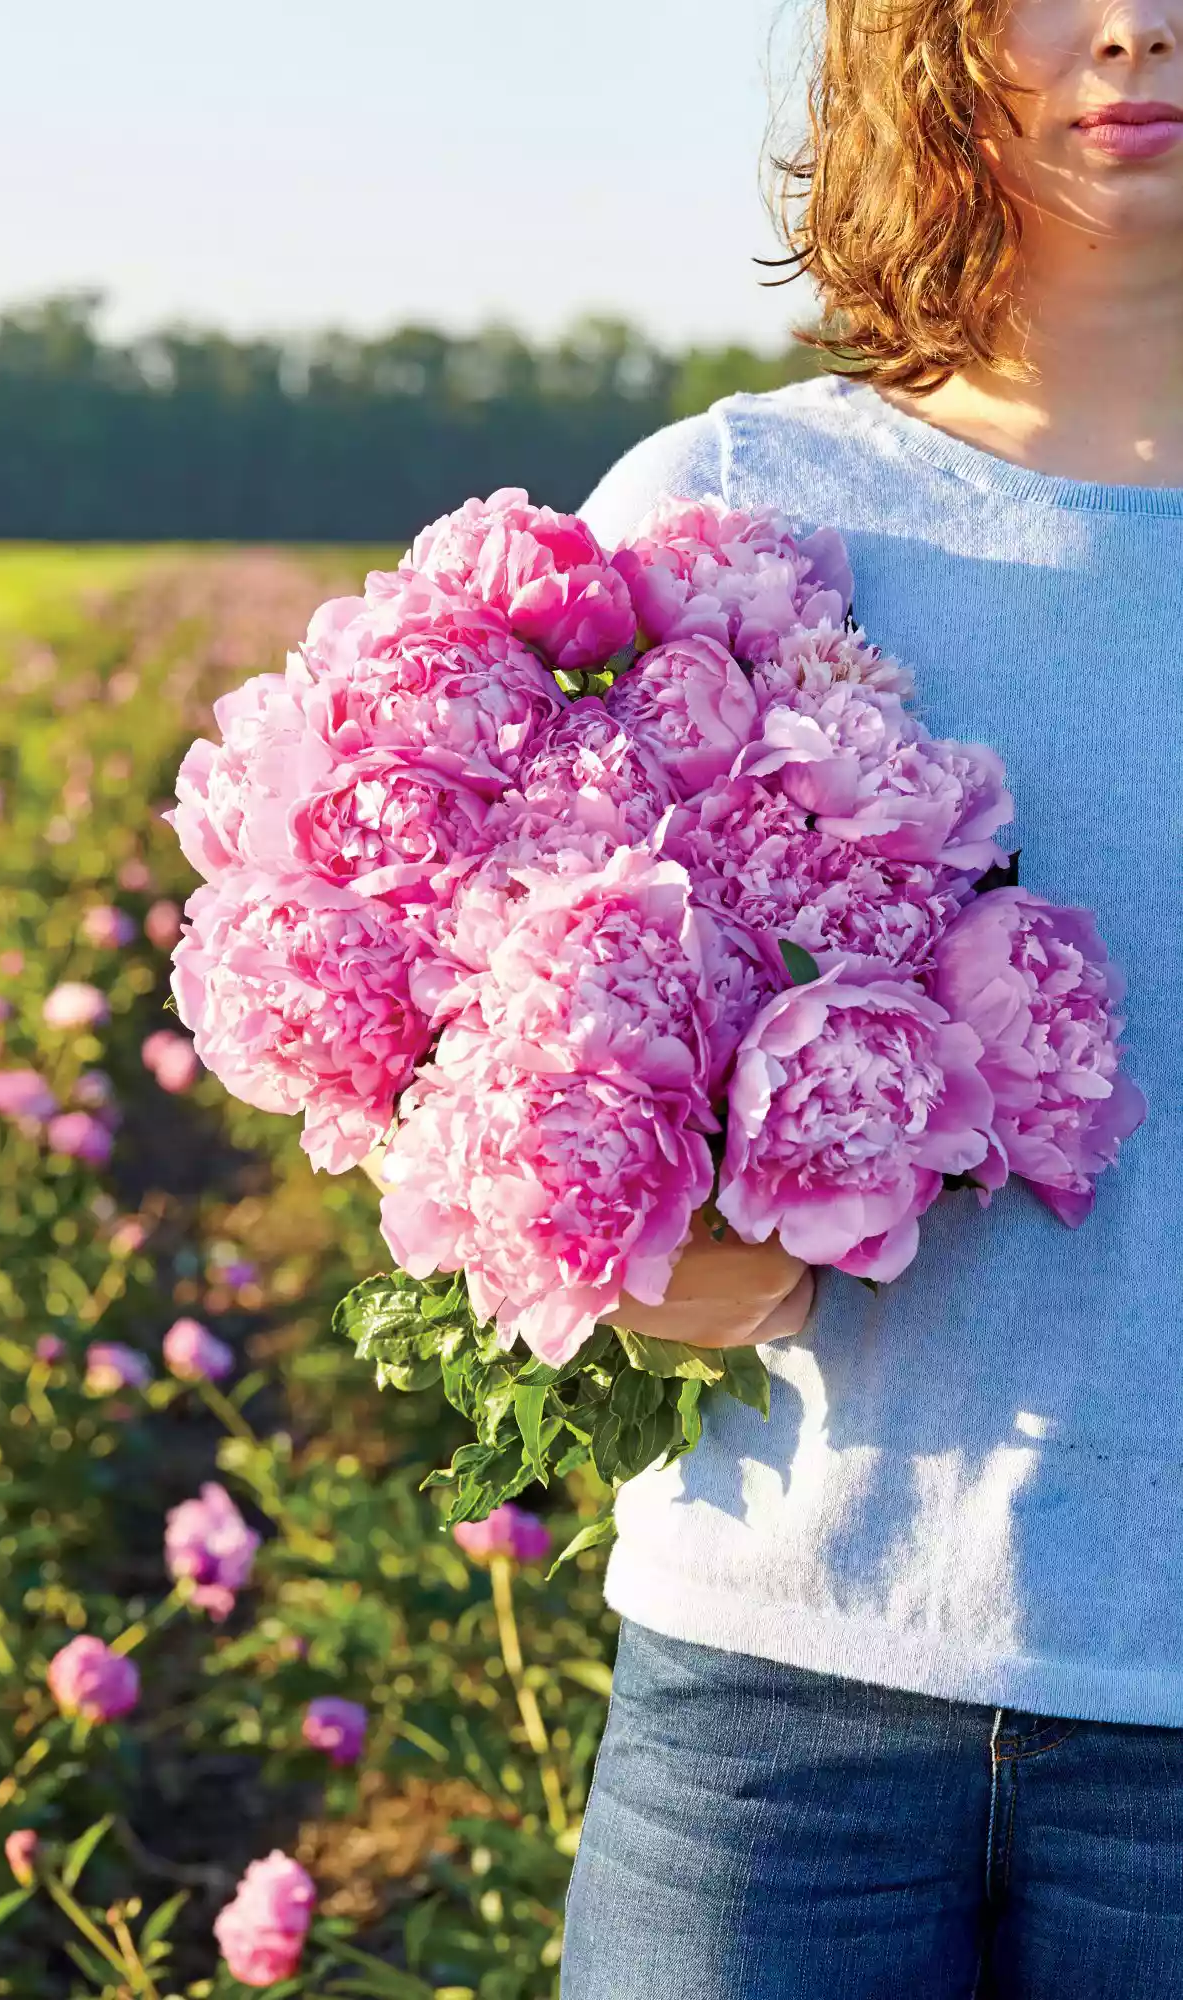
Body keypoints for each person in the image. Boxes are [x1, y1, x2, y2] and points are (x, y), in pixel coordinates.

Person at [559, 3, 1183, 1995]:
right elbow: (508, 1050)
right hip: (773, 1711)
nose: (1134, 21)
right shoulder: (727, 512)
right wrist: (641, 1254)